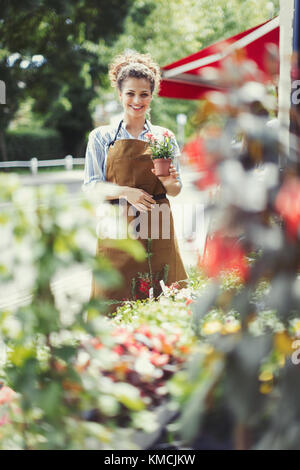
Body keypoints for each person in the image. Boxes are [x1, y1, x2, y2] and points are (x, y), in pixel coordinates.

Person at [82, 51, 187, 313]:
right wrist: (126, 192)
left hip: (158, 223)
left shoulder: (164, 137)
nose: (137, 100)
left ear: (152, 95)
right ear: (120, 94)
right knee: (113, 297)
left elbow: (175, 190)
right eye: (130, 93)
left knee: (163, 296)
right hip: (117, 226)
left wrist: (167, 179)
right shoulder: (101, 136)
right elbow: (91, 187)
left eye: (144, 94)